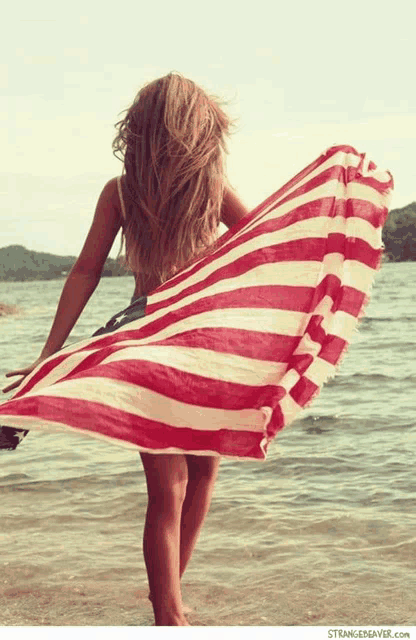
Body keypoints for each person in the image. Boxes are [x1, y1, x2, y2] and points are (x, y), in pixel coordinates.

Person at [3, 72, 248, 626]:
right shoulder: (206, 188)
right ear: (200, 126)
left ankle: (167, 604)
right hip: (196, 337)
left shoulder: (124, 190)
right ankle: (169, 614)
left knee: (181, 481)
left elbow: (85, 271)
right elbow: (259, 244)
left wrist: (51, 354)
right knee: (194, 477)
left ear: (137, 129)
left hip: (156, 338)